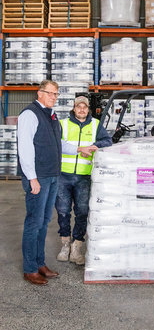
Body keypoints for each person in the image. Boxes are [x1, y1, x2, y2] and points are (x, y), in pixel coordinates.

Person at [18, 80, 97, 286]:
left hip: (53, 176)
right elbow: (25, 148)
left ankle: (39, 263)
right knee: (33, 223)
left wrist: (80, 149)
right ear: (40, 93)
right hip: (39, 177)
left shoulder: (51, 115)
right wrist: (32, 177)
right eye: (50, 93)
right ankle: (30, 268)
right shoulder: (30, 114)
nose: (53, 97)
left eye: (56, 94)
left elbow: (58, 143)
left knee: (44, 223)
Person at [55, 96, 112, 265]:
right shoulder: (63, 124)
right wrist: (80, 150)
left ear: (88, 109)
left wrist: (95, 147)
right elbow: (56, 142)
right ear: (73, 108)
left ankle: (77, 245)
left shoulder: (95, 125)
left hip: (84, 176)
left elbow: (107, 141)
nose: (81, 110)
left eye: (84, 107)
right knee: (63, 211)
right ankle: (65, 243)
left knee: (82, 211)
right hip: (63, 175)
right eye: (78, 107)